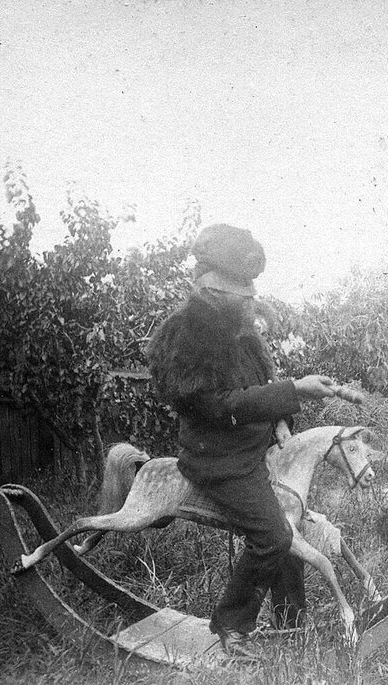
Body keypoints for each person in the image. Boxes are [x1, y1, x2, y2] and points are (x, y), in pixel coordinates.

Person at [146, 223, 338, 656]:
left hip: (255, 454)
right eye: (243, 292)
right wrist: (295, 389)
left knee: (291, 523)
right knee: (274, 536)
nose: (252, 298)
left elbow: (261, 387)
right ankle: (231, 626)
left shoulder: (241, 329)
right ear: (215, 291)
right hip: (218, 461)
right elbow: (217, 403)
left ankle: (290, 623)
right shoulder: (187, 334)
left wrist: (283, 418)